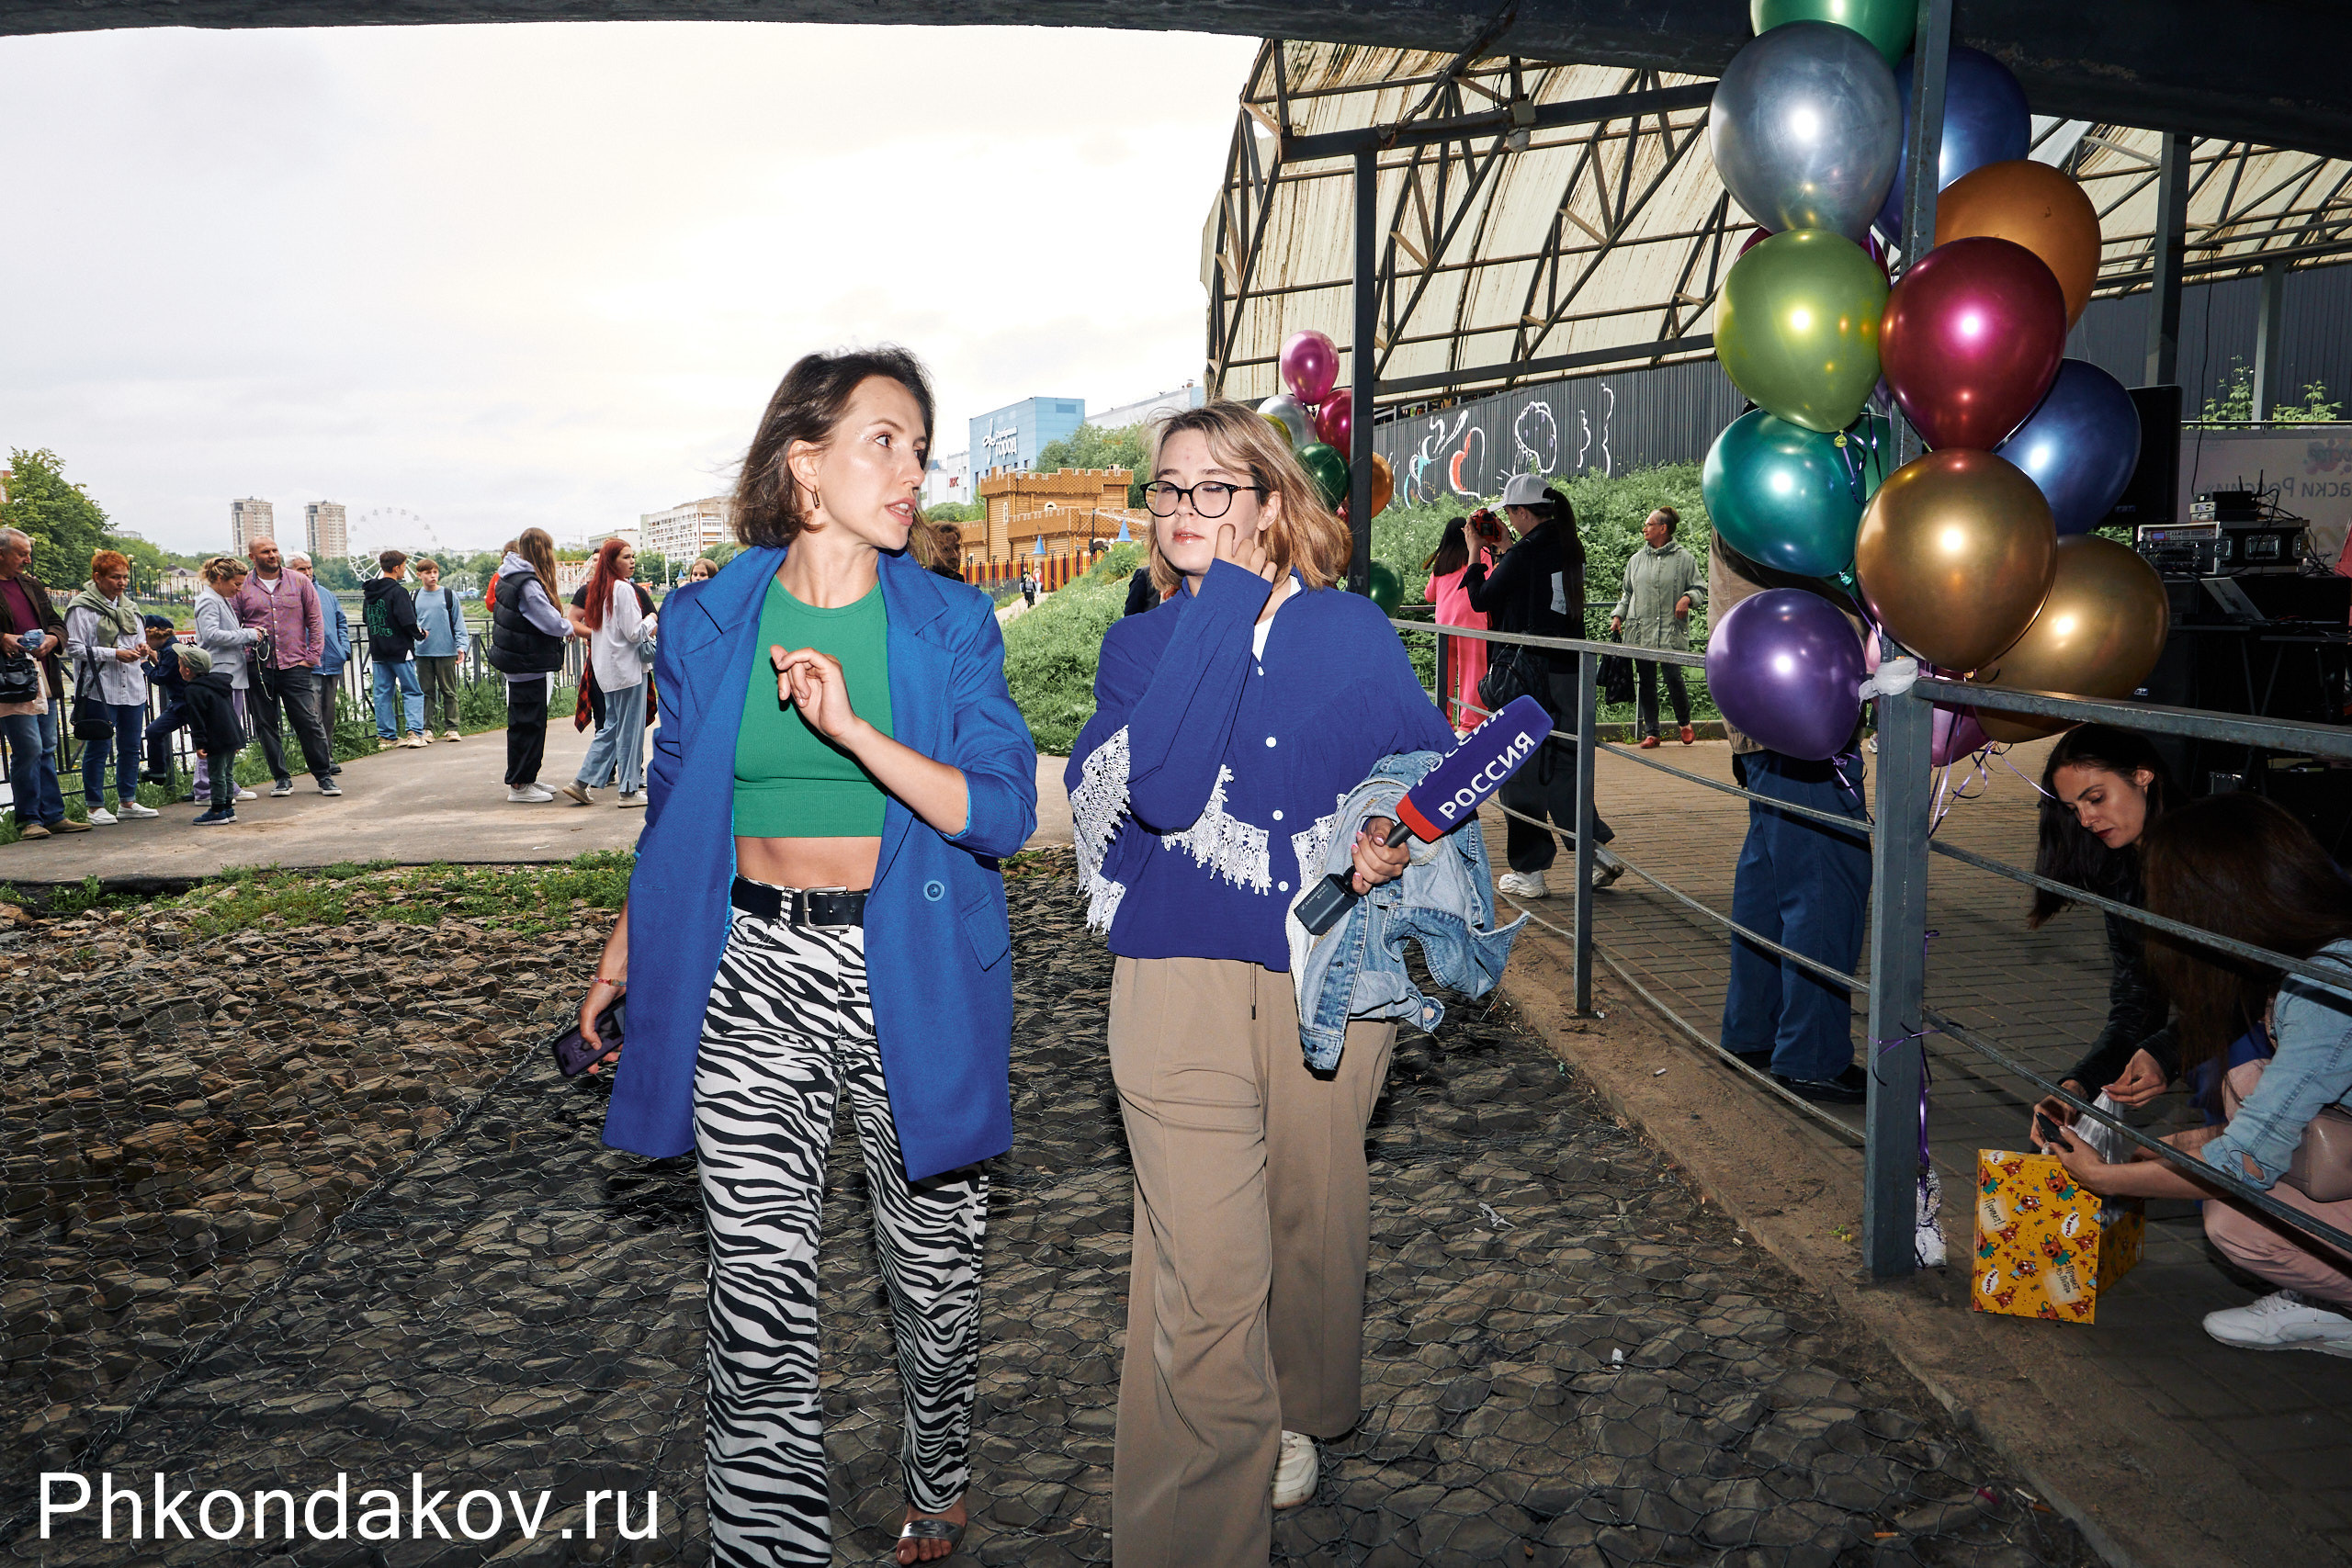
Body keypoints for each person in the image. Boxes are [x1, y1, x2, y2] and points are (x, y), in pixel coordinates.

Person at [578, 347, 1035, 1566]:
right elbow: (676, 794)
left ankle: (938, 1464)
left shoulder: (948, 620)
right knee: (757, 1287)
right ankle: (766, 1546)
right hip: (750, 969)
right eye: (884, 439)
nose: (913, 469)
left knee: (933, 1279)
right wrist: (634, 937)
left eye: (919, 446)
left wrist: (854, 728)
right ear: (804, 460)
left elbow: (1001, 811)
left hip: (913, 966)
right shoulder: (712, 614)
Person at [1066, 401, 1453, 1567]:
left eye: (1214, 489)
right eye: (1169, 491)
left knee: (1310, 1215)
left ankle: (1302, 1403)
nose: (1184, 511)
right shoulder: (1143, 644)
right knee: (1203, 1275)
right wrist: (1223, 603)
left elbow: (1423, 770)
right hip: (1173, 980)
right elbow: (1167, 797)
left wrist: (1388, 832)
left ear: (1273, 504)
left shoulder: (1350, 634)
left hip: (1323, 974)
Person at [2038, 793, 2352, 1355]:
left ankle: (2335, 1305)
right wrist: (2181, 1142)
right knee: (2245, 1082)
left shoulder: (2325, 994)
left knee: (2236, 1223)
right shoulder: (2316, 948)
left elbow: (2242, 1166)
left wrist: (2106, 1180)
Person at [1713, 535, 1871, 1104]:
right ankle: (1810, 1056)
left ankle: (1754, 1029)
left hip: (1762, 697)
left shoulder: (1752, 476)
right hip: (1805, 705)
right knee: (1826, 883)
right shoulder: (1810, 477)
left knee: (1770, 879)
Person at [2023, 726, 2192, 1134]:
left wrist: (2166, 1052)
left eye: (2095, 798)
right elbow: (2138, 1004)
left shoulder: (2210, 852)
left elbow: (2255, 994)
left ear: (2142, 774)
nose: (2085, 819)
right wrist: (2075, 1089)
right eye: (2072, 808)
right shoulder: (2122, 872)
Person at [1463, 473, 1620, 897]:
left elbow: (1481, 599)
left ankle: (1530, 873)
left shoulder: (1527, 552)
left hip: (1528, 677)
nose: (1508, 522)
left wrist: (1477, 552)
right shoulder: (1566, 545)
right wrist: (1507, 551)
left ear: (1520, 512)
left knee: (1519, 768)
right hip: (1569, 671)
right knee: (1566, 764)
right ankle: (1593, 855)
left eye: (1510, 514)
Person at [0, 527, 89, 839]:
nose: (28, 559)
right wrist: (3, 638)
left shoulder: (31, 584)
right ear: (1, 554)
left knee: (48, 746)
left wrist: (52, 639)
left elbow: (56, 623)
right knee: (29, 747)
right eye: (21, 554)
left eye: (28, 553)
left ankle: (53, 814)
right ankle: (28, 819)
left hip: (43, 674)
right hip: (11, 680)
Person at [232, 535, 337, 796]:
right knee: (266, 724)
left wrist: (312, 657)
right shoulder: (243, 586)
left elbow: (315, 622)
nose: (271, 555)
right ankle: (281, 778)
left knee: (308, 722)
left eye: (274, 550)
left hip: (295, 665)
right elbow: (236, 623)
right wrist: (248, 655)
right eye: (265, 551)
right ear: (252, 557)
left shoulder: (300, 582)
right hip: (259, 666)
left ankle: (324, 776)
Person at [64, 549, 160, 824]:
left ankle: (127, 801)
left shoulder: (129, 607)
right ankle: (94, 806)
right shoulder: (82, 608)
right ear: (98, 577)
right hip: (100, 688)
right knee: (98, 744)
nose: (122, 583)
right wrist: (113, 653)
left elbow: (138, 641)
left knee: (130, 746)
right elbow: (73, 648)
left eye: (125, 577)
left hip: (131, 685)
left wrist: (141, 648)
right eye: (115, 577)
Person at [560, 538, 651, 808]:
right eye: (626, 557)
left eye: (632, 556)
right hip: (628, 669)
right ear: (613, 562)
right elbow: (635, 633)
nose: (632, 561)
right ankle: (629, 790)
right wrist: (652, 619)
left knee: (611, 727)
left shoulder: (599, 590)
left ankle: (581, 782)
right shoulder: (623, 589)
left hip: (607, 669)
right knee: (630, 731)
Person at [488, 529, 575, 803]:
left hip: (518, 661)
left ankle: (526, 778)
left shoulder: (509, 575)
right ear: (542, 550)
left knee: (526, 722)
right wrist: (567, 627)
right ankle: (520, 784)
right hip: (526, 662)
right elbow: (546, 618)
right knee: (529, 724)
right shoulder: (527, 582)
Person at [1610, 505, 1703, 748]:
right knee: (1647, 680)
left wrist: (1687, 598)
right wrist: (1618, 616)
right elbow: (1627, 594)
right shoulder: (1636, 560)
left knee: (1674, 677)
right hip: (1641, 630)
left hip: (1671, 630)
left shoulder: (1685, 559)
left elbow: (1700, 589)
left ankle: (1685, 724)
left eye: (1649, 524)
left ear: (1663, 528)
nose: (1644, 528)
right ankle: (1653, 732)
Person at [193, 556, 263, 807]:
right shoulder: (209, 601)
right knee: (218, 735)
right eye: (236, 583)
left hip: (230, 675)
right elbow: (211, 635)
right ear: (220, 579)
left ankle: (224, 785)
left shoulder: (219, 599)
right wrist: (249, 634)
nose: (239, 589)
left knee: (228, 735)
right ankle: (205, 788)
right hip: (222, 677)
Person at [1421, 514, 1487, 734]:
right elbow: (1493, 579)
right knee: (1472, 674)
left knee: (1445, 676)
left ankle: (1443, 722)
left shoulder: (1442, 560)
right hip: (1471, 622)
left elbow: (1429, 595)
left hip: (1444, 625)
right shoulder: (1479, 554)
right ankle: (1469, 725)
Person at [290, 553, 347, 781]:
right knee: (311, 716)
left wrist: (344, 650)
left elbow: (341, 621)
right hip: (306, 665)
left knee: (328, 714)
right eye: (301, 569)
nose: (306, 573)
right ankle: (320, 760)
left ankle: (328, 756)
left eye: (309, 568)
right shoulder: (289, 595)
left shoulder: (326, 595)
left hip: (332, 661)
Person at [363, 550, 428, 748]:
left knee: (382, 693)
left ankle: (386, 737)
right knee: (412, 691)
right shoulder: (398, 592)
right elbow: (407, 620)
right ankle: (414, 733)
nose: (404, 570)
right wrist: (420, 634)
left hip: (378, 650)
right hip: (400, 650)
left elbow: (367, 619)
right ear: (397, 567)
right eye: (404, 566)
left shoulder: (370, 593)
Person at [177, 644, 246, 827]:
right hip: (232, 735)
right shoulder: (219, 684)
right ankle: (228, 808)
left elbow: (197, 720)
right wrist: (239, 737)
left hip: (216, 738)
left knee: (216, 775)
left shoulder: (193, 690)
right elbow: (231, 712)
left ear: (187, 670)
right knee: (227, 773)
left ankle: (217, 811)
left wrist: (199, 744)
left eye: (179, 666)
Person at [412, 556, 469, 742]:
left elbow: (458, 623)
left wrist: (461, 647)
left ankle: (452, 727)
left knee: (449, 690)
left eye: (435, 572)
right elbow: (410, 624)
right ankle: (427, 728)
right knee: (425, 691)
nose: (433, 576)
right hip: (422, 651)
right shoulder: (413, 596)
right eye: (428, 573)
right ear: (419, 575)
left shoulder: (448, 595)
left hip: (446, 650)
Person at [140, 614, 190, 793]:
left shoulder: (170, 651)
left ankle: (158, 772)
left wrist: (144, 663)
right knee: (154, 731)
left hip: (183, 703)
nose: (145, 643)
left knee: (154, 731)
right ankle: (158, 772)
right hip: (185, 701)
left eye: (145, 638)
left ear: (154, 634)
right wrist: (155, 660)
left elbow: (160, 678)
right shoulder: (173, 648)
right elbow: (168, 670)